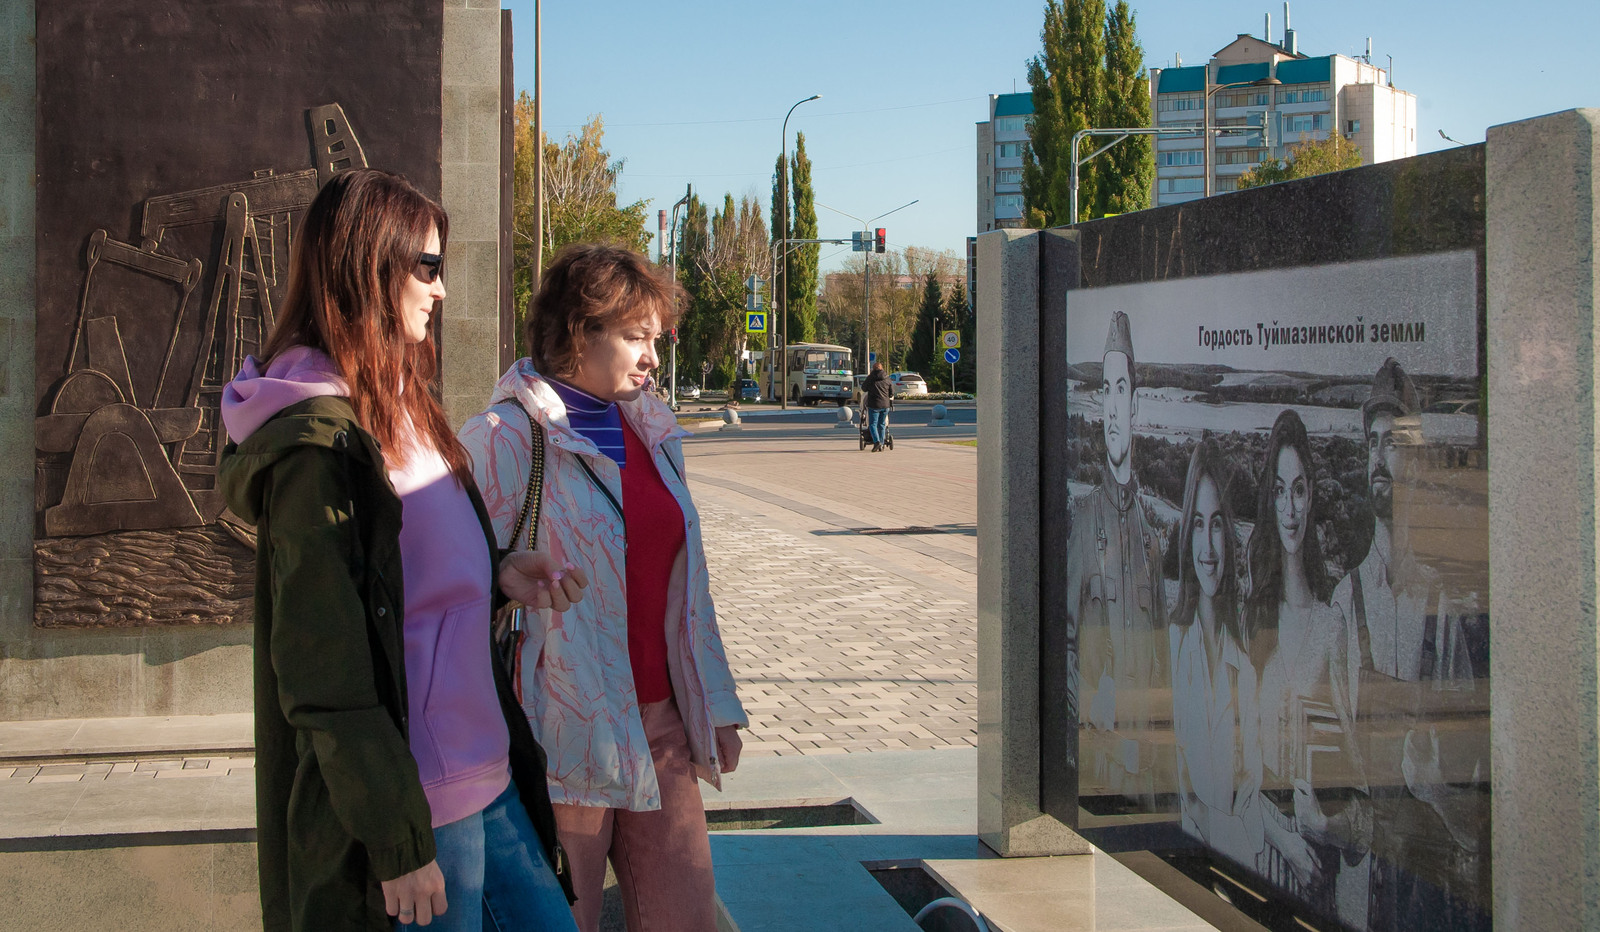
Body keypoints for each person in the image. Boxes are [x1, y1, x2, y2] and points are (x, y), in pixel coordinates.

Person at [218, 169, 582, 932]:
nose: (441, 288)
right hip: (424, 808)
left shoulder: (404, 401)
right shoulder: (317, 445)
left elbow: (404, 588)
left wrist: (497, 577)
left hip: (491, 777)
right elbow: (323, 671)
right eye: (428, 266)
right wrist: (396, 835)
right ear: (367, 267)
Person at [458, 243, 750, 932]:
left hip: (662, 726)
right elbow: (458, 582)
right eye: (634, 338)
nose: (652, 357)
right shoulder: (502, 439)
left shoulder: (652, 429)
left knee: (686, 919)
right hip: (561, 730)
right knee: (563, 923)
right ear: (576, 333)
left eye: (656, 338)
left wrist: (716, 700)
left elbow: (689, 585)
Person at [1328, 357, 1489, 931]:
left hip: (1424, 902)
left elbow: (1477, 824)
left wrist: (1435, 792)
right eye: (1372, 442)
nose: (1378, 457)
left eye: (1393, 442)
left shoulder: (1442, 611)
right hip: (1358, 899)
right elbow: (1329, 778)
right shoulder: (1346, 605)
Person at [1244, 409, 1371, 920]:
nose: (1290, 508)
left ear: (1312, 494)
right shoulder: (1253, 619)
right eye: (1278, 490)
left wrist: (1321, 830)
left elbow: (1361, 808)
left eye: (1298, 489)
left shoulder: (1332, 627)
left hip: (1318, 887)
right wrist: (1283, 838)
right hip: (1255, 868)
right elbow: (1233, 766)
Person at [1063, 310, 1168, 807]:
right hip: (1098, 773)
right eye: (1104, 389)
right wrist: (1085, 695)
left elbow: (1163, 661)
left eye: (1120, 388)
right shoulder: (1083, 521)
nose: (1110, 406)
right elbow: (1061, 638)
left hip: (1146, 777)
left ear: (1136, 404)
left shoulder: (1151, 535)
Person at [1168, 438, 1264, 871]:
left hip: (1230, 875)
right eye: (1199, 524)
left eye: (1219, 525)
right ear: (1188, 532)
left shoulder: (1243, 665)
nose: (1208, 548)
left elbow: (1250, 803)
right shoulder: (1170, 645)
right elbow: (1173, 784)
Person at [862, 362, 893, 451]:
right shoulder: (887, 378)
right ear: (882, 368)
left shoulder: (870, 378)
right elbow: (891, 392)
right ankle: (882, 444)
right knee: (882, 424)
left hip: (874, 404)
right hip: (885, 405)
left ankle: (877, 442)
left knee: (872, 424)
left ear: (873, 369)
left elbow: (864, 388)